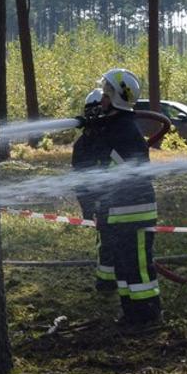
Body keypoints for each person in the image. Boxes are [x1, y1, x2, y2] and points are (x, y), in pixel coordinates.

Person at [73, 68, 163, 331]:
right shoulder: (114, 128)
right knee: (125, 268)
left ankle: (147, 315)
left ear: (114, 98)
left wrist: (93, 132)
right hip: (117, 212)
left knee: (138, 269)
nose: (101, 99)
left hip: (133, 212)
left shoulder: (122, 131)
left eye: (105, 94)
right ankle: (132, 314)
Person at [71, 88, 118, 293]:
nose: (94, 115)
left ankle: (114, 279)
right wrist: (87, 206)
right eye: (90, 111)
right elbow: (79, 179)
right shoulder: (82, 144)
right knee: (106, 243)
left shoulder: (114, 135)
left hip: (120, 201)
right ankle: (106, 283)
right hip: (102, 203)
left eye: (98, 110)